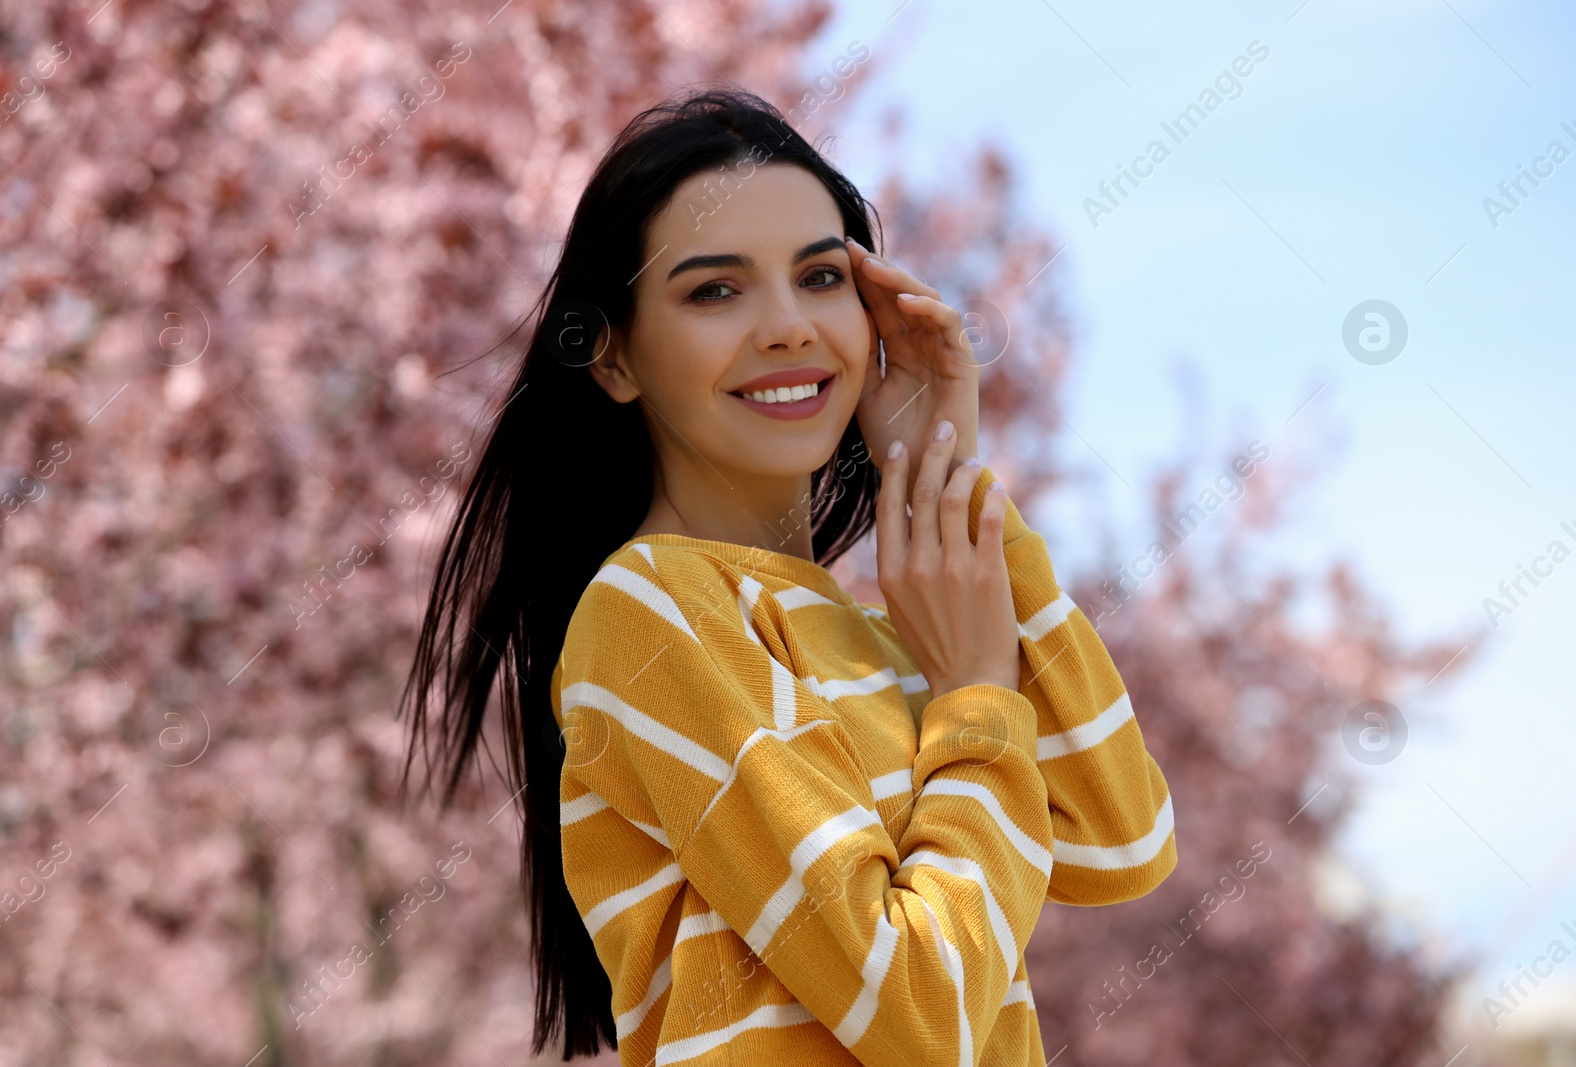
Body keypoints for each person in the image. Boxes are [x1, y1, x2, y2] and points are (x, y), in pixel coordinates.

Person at [398, 86, 1176, 1066]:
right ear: (613, 358)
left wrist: (942, 473)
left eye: (819, 277)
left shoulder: (889, 632)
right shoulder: (649, 613)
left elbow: (1121, 836)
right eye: (713, 290)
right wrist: (974, 701)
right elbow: (920, 1006)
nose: (787, 328)